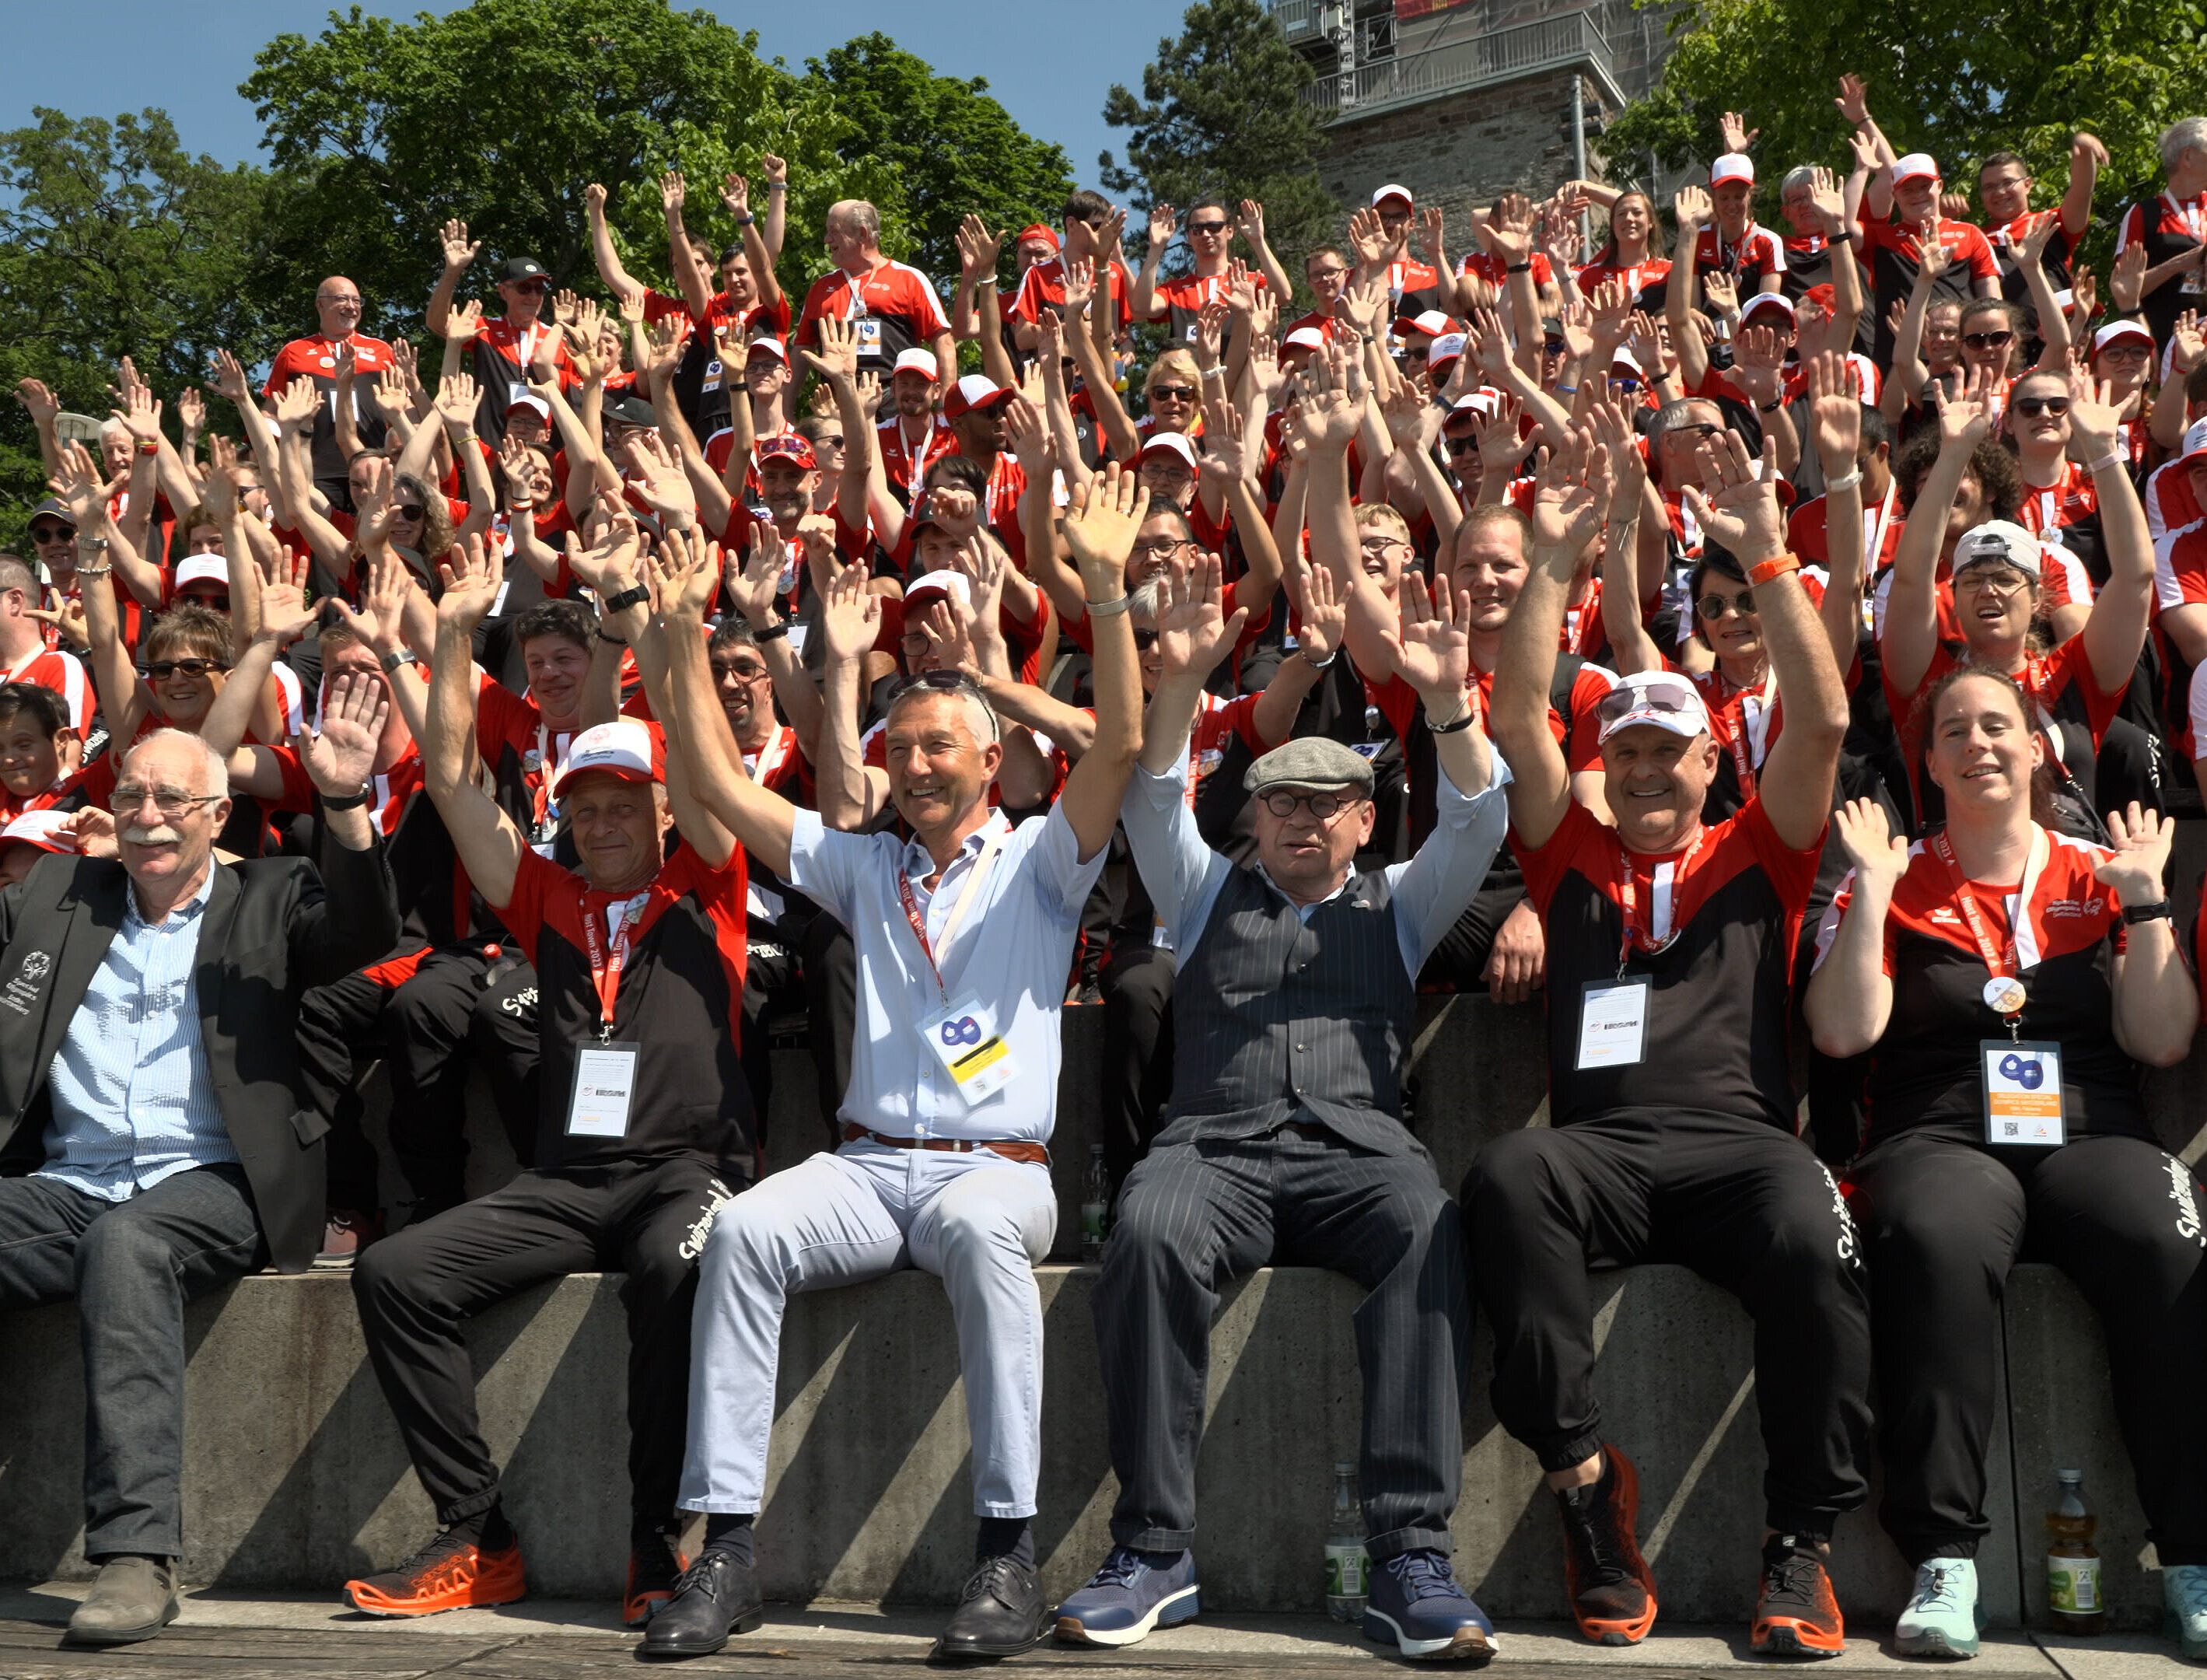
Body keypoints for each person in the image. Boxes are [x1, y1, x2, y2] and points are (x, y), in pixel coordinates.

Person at [642, 467, 1147, 1661]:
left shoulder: (1040, 859)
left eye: (940, 746)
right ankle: (722, 1550)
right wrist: (672, 633)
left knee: (978, 1233)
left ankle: (1006, 1556)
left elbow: (1121, 740)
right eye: (901, 745)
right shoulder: (864, 867)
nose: (917, 764)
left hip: (999, 1169)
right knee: (750, 1232)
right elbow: (714, 785)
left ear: (987, 756)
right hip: (868, 1170)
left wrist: (1109, 591)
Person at [1066, 464, 1512, 1658]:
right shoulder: (1203, 889)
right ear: (1252, 819)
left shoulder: (1404, 904)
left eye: (1329, 803)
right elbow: (1156, 793)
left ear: (1366, 818)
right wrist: (1191, 674)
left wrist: (1449, 700)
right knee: (1148, 1232)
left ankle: (1411, 1557)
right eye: (1281, 804)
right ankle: (1152, 1551)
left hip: (1360, 1154)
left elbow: (1478, 818)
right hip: (1212, 1146)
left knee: (1429, 1228)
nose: (1304, 819)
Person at [1461, 428, 1870, 1656]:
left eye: (1665, 752)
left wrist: (1765, 554)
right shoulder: (1568, 847)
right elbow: (1522, 716)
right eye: (1623, 752)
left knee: (1816, 1229)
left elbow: (1825, 715)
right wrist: (1546, 560)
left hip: (1743, 1150)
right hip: (1604, 1157)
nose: (1641, 771)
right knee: (1502, 1176)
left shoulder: (1764, 845)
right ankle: (1588, 1493)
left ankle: (1798, 1542)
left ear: (1709, 760)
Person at [346, 523, 756, 1627]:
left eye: (628, 802)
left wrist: (658, 628)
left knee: (678, 1273)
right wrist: (447, 637)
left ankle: (658, 1548)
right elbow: (447, 775)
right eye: (587, 804)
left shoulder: (707, 878)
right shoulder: (548, 898)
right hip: (568, 1178)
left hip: (685, 1170)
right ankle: (477, 1534)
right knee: (394, 1276)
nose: (607, 819)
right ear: (563, 813)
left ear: (663, 810)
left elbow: (704, 766)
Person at [1804, 679, 2205, 1660]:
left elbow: (2160, 1044)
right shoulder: (1887, 877)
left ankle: (2195, 1556)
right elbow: (1843, 1032)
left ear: (2037, 751)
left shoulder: (2103, 870)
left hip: (2088, 1129)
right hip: (1937, 1133)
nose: (1978, 743)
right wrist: (1870, 897)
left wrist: (2146, 900)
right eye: (1953, 732)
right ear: (1929, 764)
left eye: (1999, 727)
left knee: (2164, 1237)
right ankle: (1945, 1555)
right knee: (1935, 1239)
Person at [0, 709, 400, 1648]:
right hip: (71, 1178)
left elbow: (363, 935)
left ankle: (139, 1556)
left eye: (172, 798)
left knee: (128, 1244)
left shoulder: (271, 892)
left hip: (217, 1179)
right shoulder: (60, 890)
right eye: (130, 794)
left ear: (216, 814)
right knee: (105, 1233)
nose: (147, 814)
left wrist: (342, 800)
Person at [262, 277, 397, 508]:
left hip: (371, 467)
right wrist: (280, 443)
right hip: (315, 470)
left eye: (357, 300)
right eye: (342, 299)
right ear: (320, 305)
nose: (352, 306)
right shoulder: (294, 352)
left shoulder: (381, 350)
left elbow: (403, 410)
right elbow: (268, 414)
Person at [795, 198, 955, 383]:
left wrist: (945, 402)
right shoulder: (822, 287)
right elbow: (802, 349)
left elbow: (944, 342)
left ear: (862, 234)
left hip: (893, 403)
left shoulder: (909, 279)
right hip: (835, 405)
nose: (827, 239)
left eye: (834, 232)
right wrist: (786, 410)